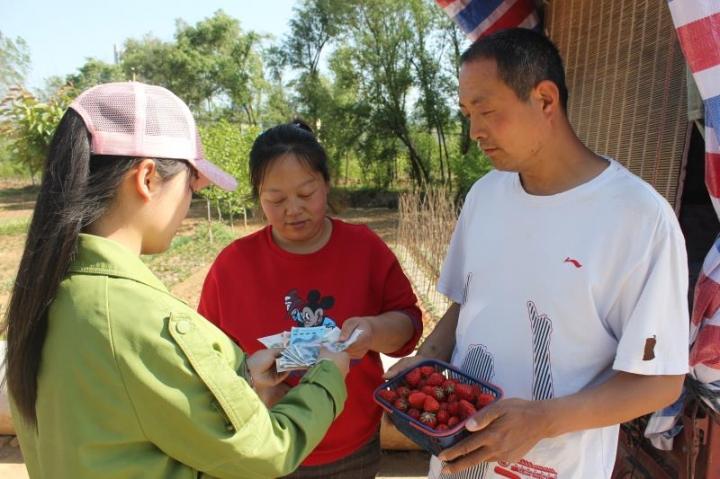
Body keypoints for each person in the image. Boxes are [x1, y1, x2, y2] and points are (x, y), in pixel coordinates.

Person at [3, 82, 350, 479]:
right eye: (190, 186)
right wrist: (328, 375)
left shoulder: (50, 293)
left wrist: (242, 377)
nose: (188, 204)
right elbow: (268, 450)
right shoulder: (142, 321)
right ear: (148, 178)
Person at [386, 28, 689, 479]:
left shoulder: (639, 218)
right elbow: (469, 302)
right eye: (467, 114)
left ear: (545, 99)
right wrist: (426, 360)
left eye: (486, 111)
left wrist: (543, 419)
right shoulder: (485, 195)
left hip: (556, 466)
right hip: (457, 456)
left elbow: (660, 381)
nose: (474, 132)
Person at [198, 120, 423, 478]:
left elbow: (408, 325)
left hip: (353, 448)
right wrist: (257, 389)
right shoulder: (233, 266)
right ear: (258, 196)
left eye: (306, 194)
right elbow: (205, 360)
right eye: (276, 199)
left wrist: (372, 330)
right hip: (267, 446)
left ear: (327, 184)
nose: (293, 210)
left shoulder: (364, 250)